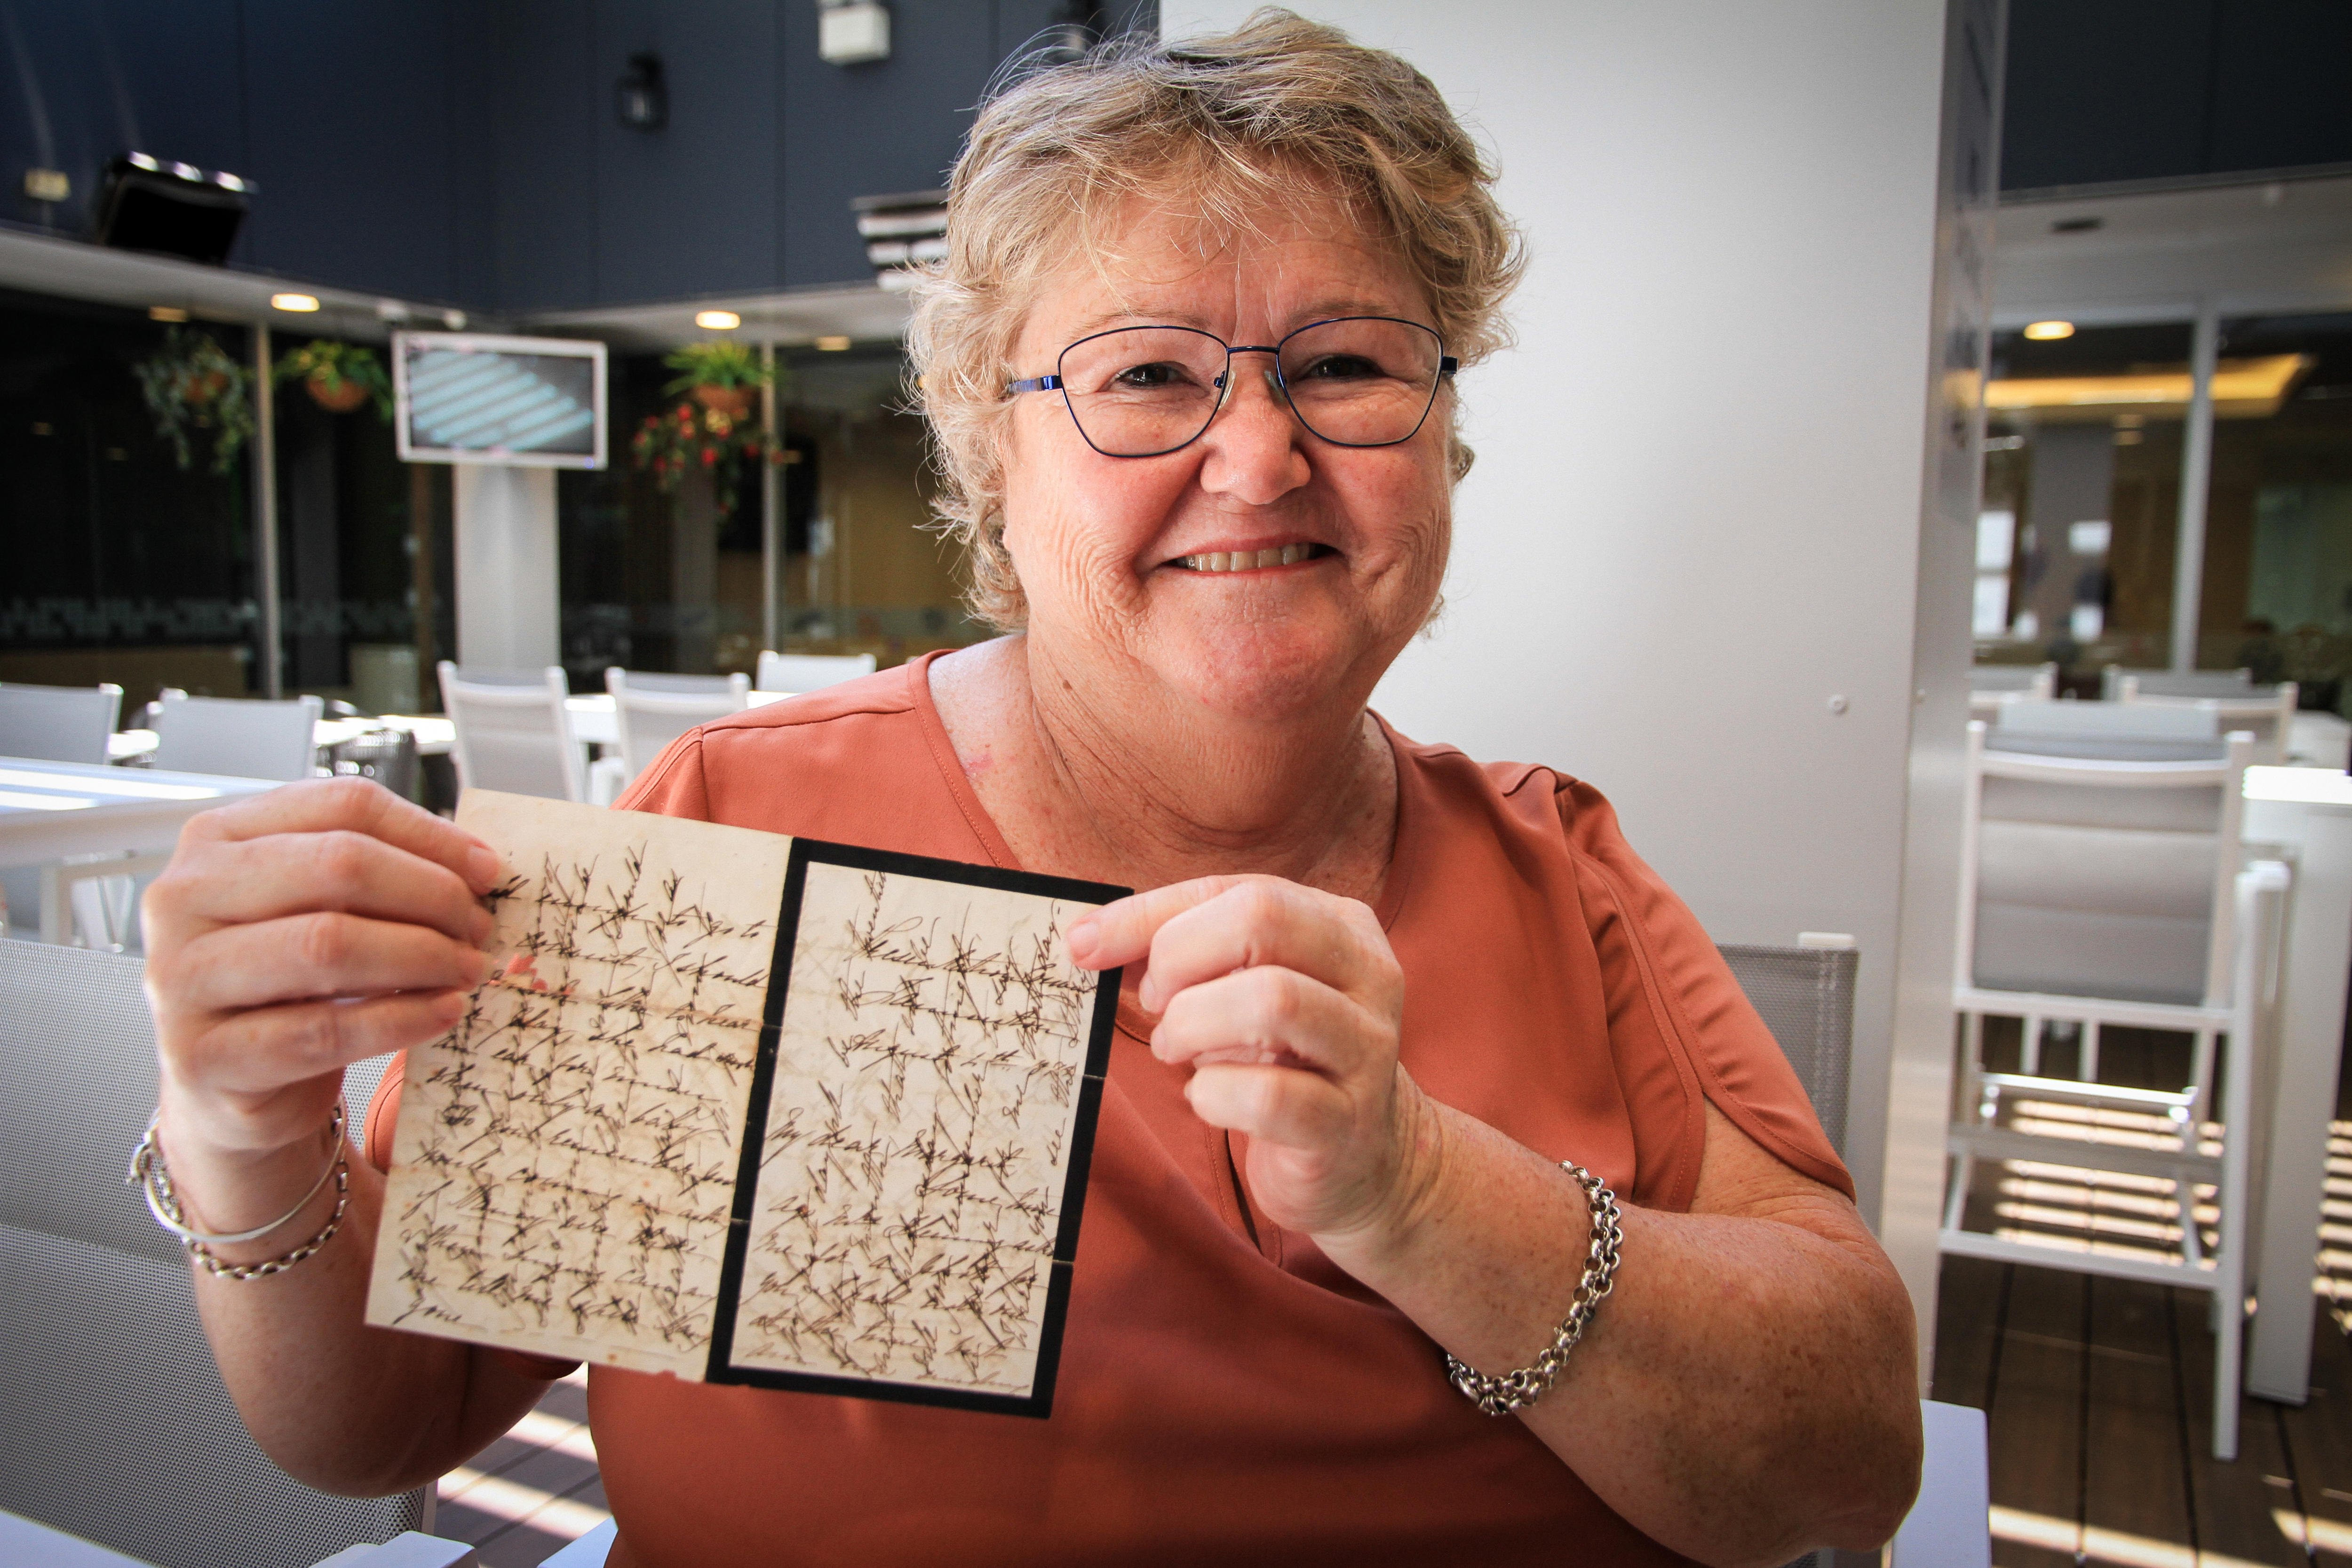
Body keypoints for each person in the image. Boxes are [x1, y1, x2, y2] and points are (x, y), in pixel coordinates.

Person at [139, 13, 1922, 1566]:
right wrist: (241, 1138)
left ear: (1438, 441)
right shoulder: (737, 832)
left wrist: (1418, 1197)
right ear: (995, 461)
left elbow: (1848, 1457)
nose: (1256, 455)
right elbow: (382, 1418)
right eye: (1148, 374)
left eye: (1348, 368)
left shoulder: (1561, 865)